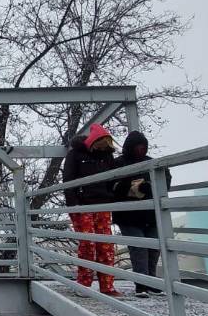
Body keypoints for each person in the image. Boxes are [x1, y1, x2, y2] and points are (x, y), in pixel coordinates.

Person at [62, 124, 120, 297]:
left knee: (106, 246)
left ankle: (107, 286)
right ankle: (84, 284)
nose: (103, 147)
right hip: (83, 206)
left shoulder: (107, 156)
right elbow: (68, 180)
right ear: (93, 141)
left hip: (103, 205)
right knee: (88, 244)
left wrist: (111, 197)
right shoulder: (75, 154)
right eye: (101, 143)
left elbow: (114, 178)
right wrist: (74, 206)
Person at [111, 131, 170, 298]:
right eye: (137, 146)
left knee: (153, 248)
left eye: (143, 146)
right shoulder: (118, 164)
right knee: (139, 248)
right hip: (128, 216)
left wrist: (149, 187)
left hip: (150, 215)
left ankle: (151, 282)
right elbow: (111, 188)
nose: (140, 149)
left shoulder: (152, 163)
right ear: (130, 147)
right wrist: (128, 186)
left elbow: (166, 181)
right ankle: (142, 284)